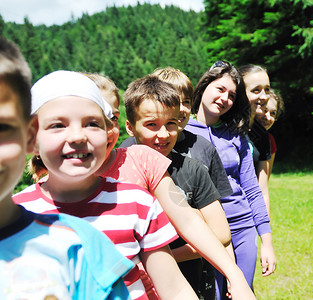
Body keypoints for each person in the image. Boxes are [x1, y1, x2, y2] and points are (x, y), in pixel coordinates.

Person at [13, 70, 198, 300]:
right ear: (31, 140)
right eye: (58, 125)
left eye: (92, 123)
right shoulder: (14, 215)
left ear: (108, 132)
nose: (78, 136)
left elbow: (175, 289)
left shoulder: (137, 203)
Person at [85, 72, 255, 300]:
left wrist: (235, 276)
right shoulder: (40, 199)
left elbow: (193, 223)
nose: (106, 129)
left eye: (112, 118)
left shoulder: (141, 159)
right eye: (92, 120)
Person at [0, 38, 132, 300]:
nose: (77, 136)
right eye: (58, 125)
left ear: (29, 137)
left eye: (2, 128)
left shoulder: (78, 247)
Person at [123, 74, 233, 299]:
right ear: (130, 127)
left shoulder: (193, 170)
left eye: (170, 124)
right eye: (151, 125)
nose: (163, 135)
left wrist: (164, 257)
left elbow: (221, 234)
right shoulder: (117, 169)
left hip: (188, 285)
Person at [185, 60, 276, 299]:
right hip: (206, 232)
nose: (225, 98)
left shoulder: (236, 135)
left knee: (241, 293)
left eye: (232, 95)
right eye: (220, 89)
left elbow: (253, 190)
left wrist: (266, 241)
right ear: (205, 85)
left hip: (243, 227)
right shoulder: (181, 133)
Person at [238, 64, 273, 217]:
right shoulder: (223, 130)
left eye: (267, 89)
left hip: (246, 217)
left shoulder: (262, 135)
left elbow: (262, 190)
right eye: (256, 90)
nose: (264, 96)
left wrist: (265, 233)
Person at [255, 88, 285, 178]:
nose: (267, 117)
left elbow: (263, 181)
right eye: (264, 110)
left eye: (273, 113)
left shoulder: (269, 141)